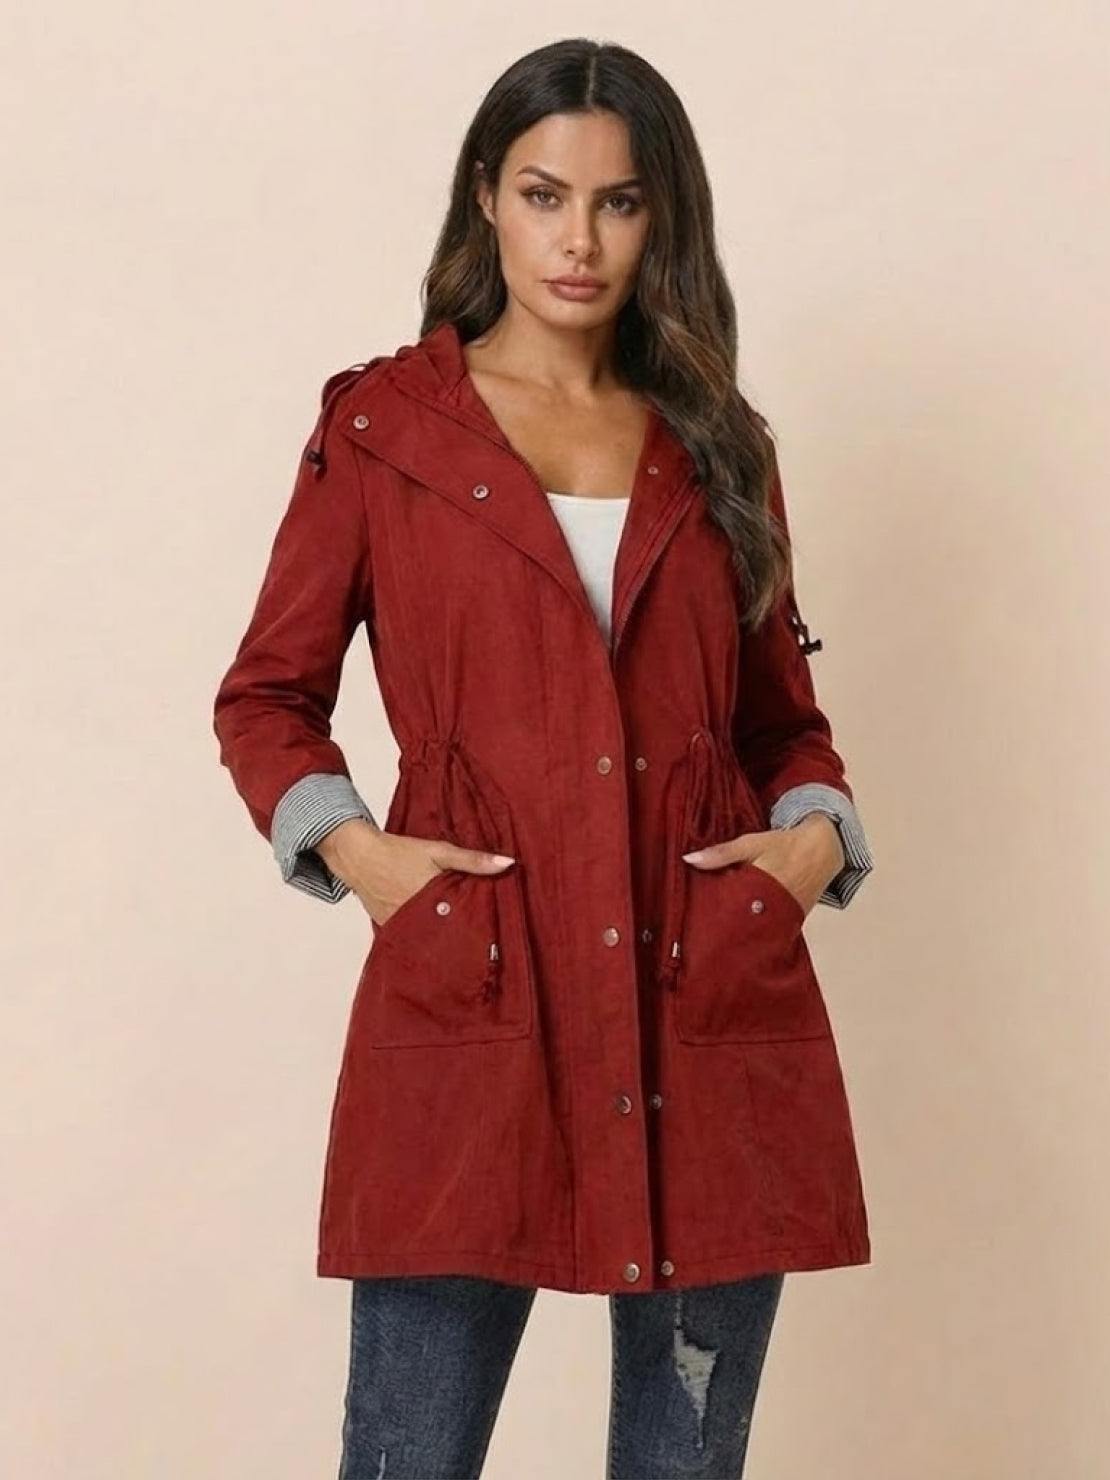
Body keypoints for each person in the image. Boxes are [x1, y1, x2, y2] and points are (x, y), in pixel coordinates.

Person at [212, 36, 875, 1480]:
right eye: (543, 194)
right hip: (475, 987)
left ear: (661, 216)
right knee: (408, 1457)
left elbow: (782, 720)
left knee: (683, 1465)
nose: (579, 241)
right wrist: (364, 858)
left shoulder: (717, 442)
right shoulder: (382, 432)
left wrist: (815, 838)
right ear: (485, 197)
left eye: (619, 202)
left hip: (701, 992)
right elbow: (265, 698)